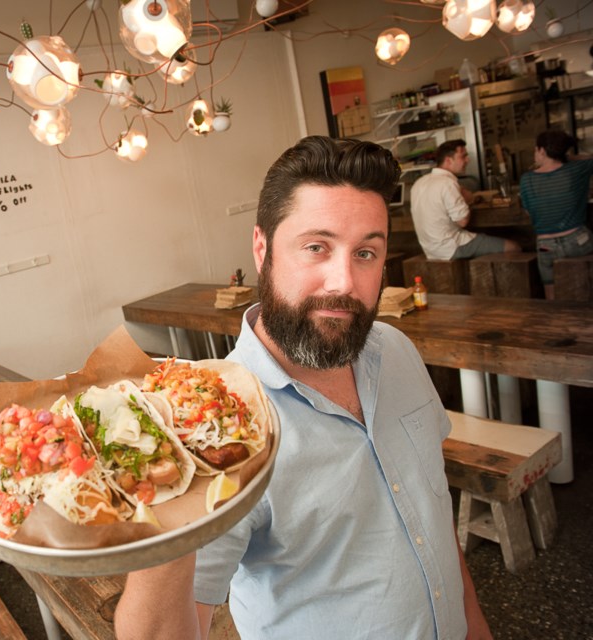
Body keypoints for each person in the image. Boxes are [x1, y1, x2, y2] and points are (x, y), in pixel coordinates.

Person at [114, 136, 492, 640]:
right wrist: (160, 512)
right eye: (317, 247)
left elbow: (433, 511)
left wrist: (475, 628)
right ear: (262, 247)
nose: (344, 281)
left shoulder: (396, 350)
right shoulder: (217, 428)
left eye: (366, 253)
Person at [410, 139, 520, 260]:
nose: (468, 160)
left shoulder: (419, 182)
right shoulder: (447, 183)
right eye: (463, 157)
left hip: (430, 249)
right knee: (514, 247)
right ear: (448, 160)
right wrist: (468, 199)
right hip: (451, 247)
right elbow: (463, 221)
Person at [518, 130, 593, 299]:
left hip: (546, 247)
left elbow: (529, 212)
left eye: (536, 150)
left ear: (542, 151)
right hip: (578, 241)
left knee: (550, 292)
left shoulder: (526, 179)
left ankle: (553, 314)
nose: (535, 154)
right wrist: (567, 157)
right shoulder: (577, 169)